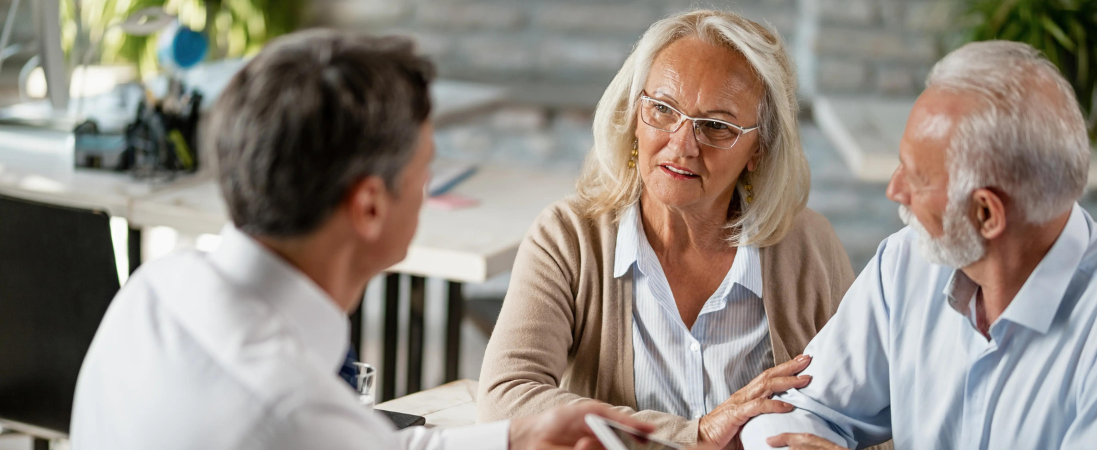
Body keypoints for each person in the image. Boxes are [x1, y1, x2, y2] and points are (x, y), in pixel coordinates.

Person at [69, 30, 657, 450]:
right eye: (425, 168)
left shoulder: (152, 292)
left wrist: (509, 438)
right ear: (371, 205)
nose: (429, 186)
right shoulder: (292, 411)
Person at [739, 41, 1097, 450]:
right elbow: (788, 412)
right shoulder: (906, 263)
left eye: (916, 177)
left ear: (986, 213)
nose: (894, 190)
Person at [478, 9, 857, 448]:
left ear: (760, 148)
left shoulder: (809, 247)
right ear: (634, 115)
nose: (682, 145)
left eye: (717, 126)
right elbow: (505, 399)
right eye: (662, 109)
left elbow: (873, 415)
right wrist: (693, 436)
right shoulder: (568, 239)